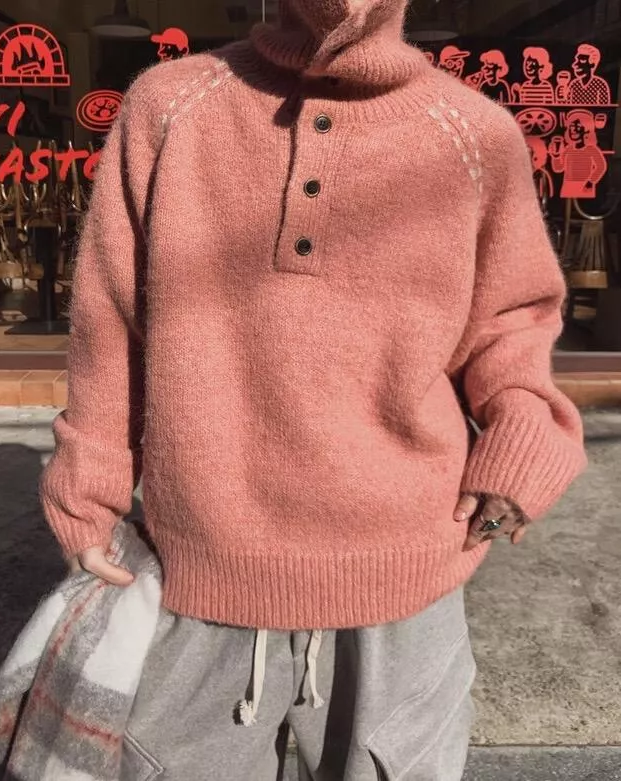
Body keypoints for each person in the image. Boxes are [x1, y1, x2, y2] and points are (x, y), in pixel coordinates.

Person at [39, 1, 587, 779]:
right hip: (202, 563)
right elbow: (109, 313)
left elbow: (511, 322)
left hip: (405, 567)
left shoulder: (474, 134)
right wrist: (87, 479)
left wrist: (522, 435)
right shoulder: (170, 107)